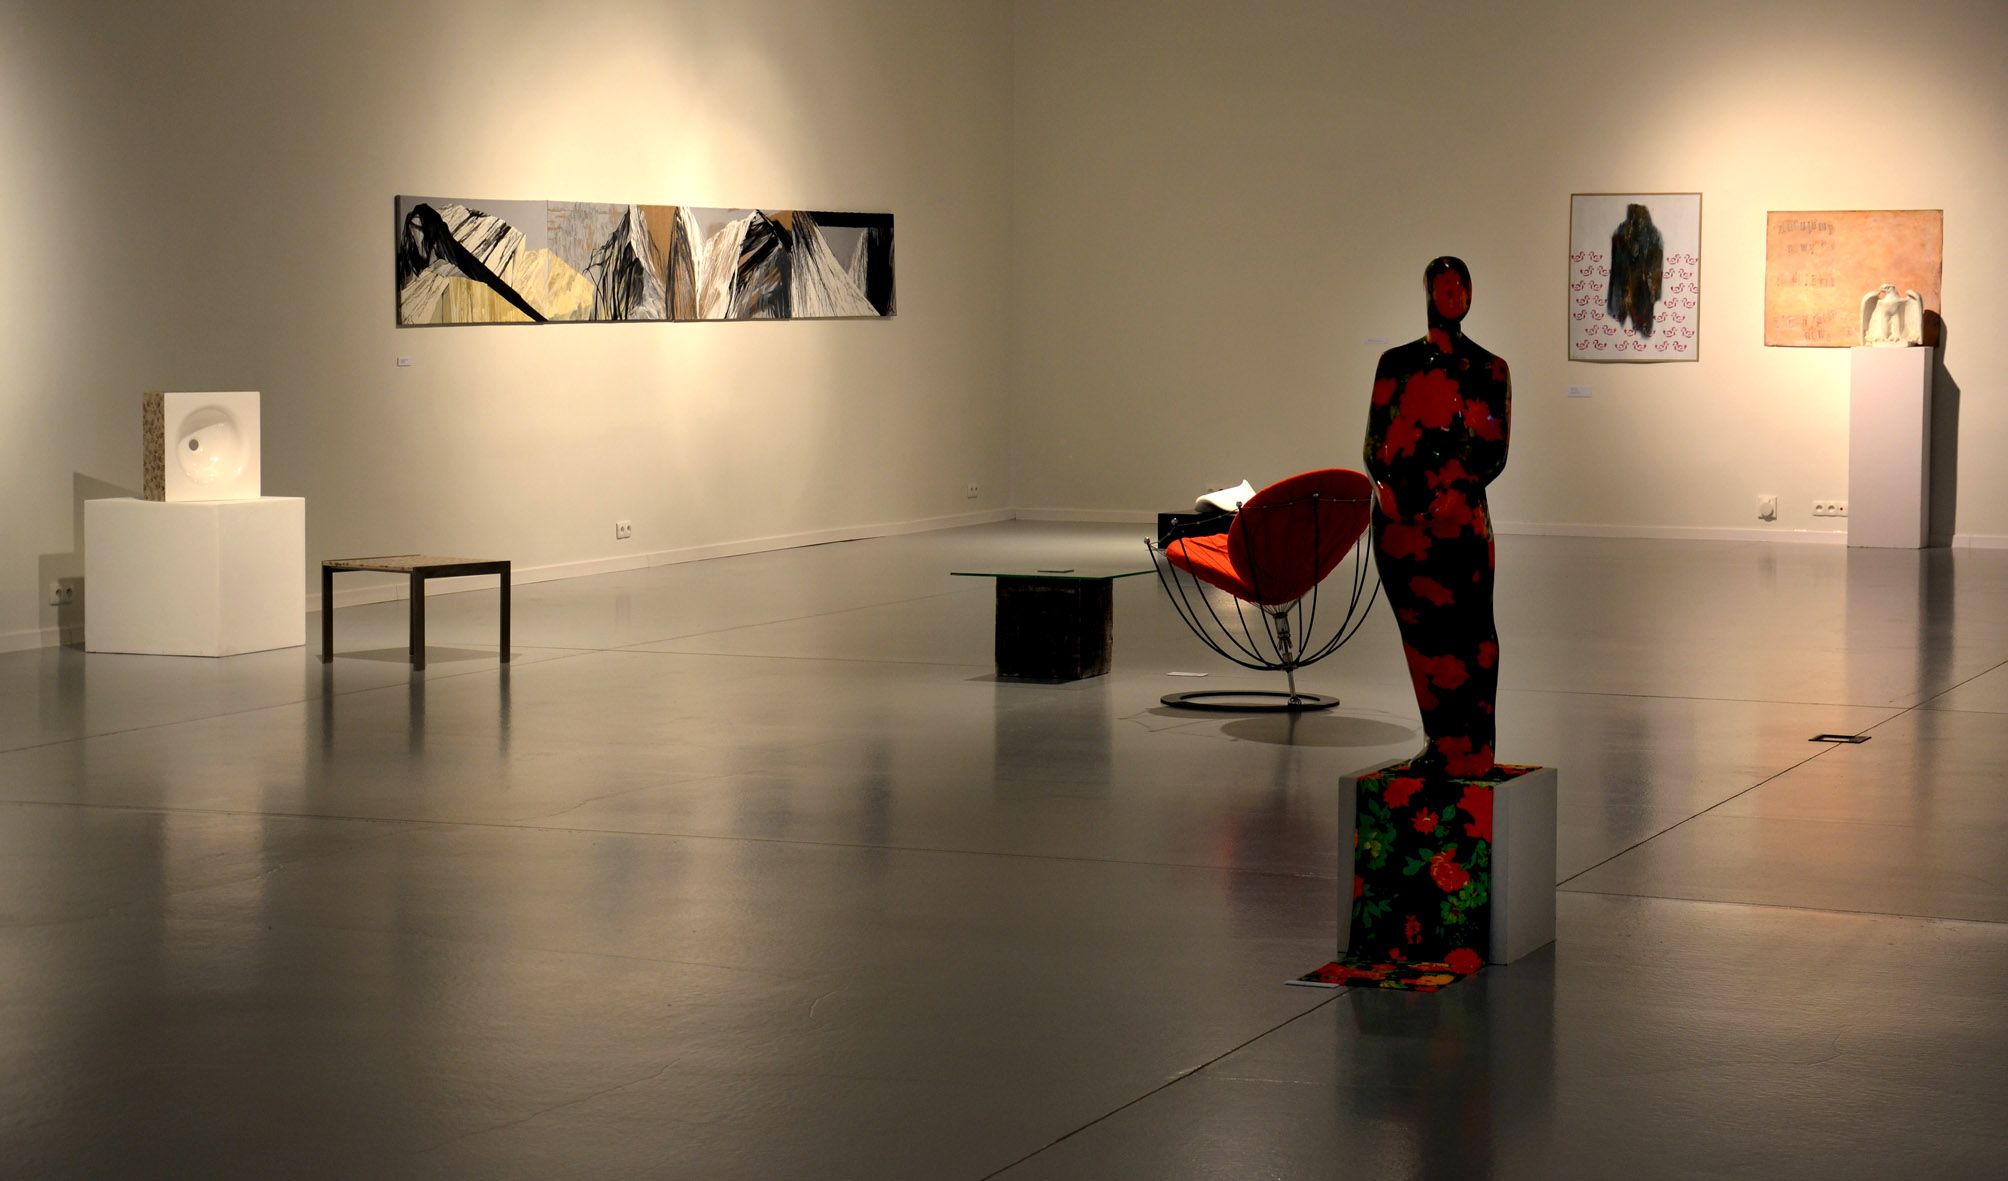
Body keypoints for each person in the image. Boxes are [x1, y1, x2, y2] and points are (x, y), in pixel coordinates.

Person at [1362, 256, 1511, 778]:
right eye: (1443, 286)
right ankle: (1439, 741)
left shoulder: (1490, 370)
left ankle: (1475, 747)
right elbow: (1376, 442)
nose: (1453, 295)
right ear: (1427, 291)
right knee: (1419, 634)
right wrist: (1385, 489)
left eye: (1461, 285)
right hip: (1398, 526)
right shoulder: (1395, 363)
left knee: (1470, 630)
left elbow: (1493, 451)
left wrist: (1457, 490)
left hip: (1460, 523)